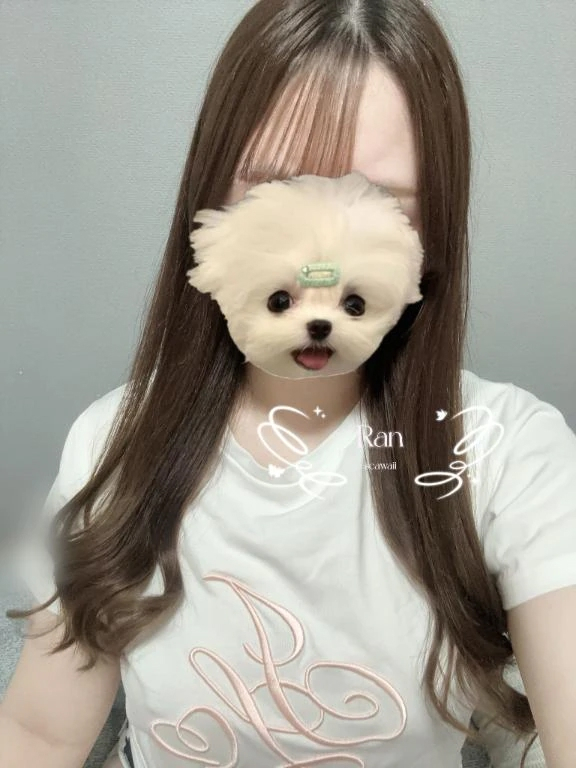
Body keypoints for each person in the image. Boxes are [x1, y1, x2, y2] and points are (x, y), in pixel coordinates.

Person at [2, 1, 573, 767]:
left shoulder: (506, 452)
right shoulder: (115, 444)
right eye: (277, 191)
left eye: (373, 200)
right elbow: (39, 733)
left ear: (431, 232)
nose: (316, 250)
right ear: (210, 203)